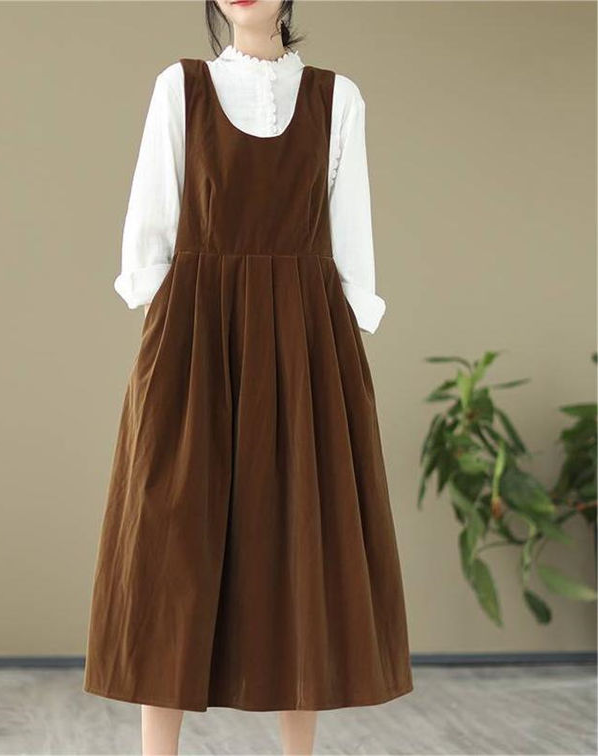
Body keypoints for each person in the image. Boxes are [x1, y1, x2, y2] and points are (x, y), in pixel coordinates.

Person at [83, 1, 414, 753]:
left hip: (306, 335)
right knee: (171, 535)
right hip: (195, 331)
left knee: (300, 535)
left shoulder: (336, 98)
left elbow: (350, 236)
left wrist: (339, 332)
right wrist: (171, 317)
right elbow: (150, 232)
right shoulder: (181, 87)